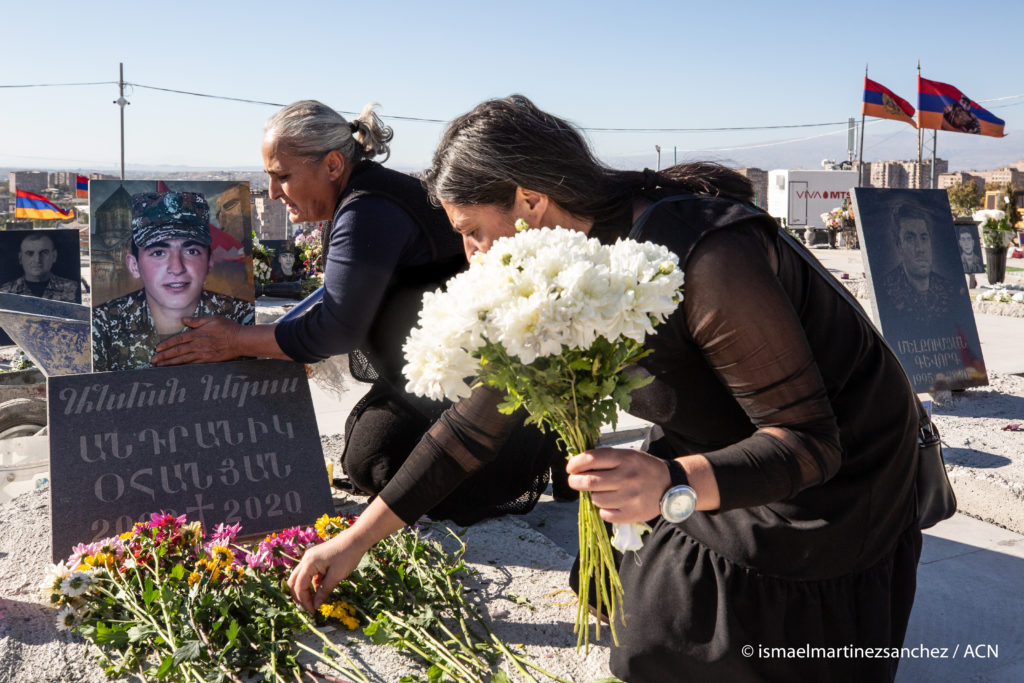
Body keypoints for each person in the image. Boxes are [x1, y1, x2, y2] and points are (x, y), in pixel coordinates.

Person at [288, 95, 923, 682]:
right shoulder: (546, 269)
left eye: (474, 231)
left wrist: (672, 485)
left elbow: (811, 444)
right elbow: (471, 427)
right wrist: (353, 542)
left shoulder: (707, 256)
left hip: (833, 485)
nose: (472, 256)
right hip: (719, 451)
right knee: (642, 631)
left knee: (681, 648)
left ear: (531, 203)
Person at [151, 100, 565, 524]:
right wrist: (276, 335)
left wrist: (234, 339)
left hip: (482, 393)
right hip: (426, 377)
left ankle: (532, 451)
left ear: (332, 165)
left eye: (283, 176)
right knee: (365, 457)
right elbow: (334, 299)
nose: (273, 192)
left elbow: (336, 328)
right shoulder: (360, 195)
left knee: (386, 468)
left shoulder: (369, 208)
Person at [91, 191, 254, 372]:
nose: (177, 268)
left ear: (209, 262)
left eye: (191, 251)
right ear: (134, 265)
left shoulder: (241, 317)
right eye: (158, 252)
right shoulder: (101, 324)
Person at [880, 203, 961, 328]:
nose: (920, 249)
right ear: (899, 245)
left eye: (924, 238)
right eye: (910, 238)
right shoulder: (885, 290)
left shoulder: (950, 290)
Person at [0, 232, 80, 302]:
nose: (37, 260)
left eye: (44, 253)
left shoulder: (73, 289)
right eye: (29, 253)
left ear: (54, 256)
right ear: (20, 258)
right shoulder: (5, 292)